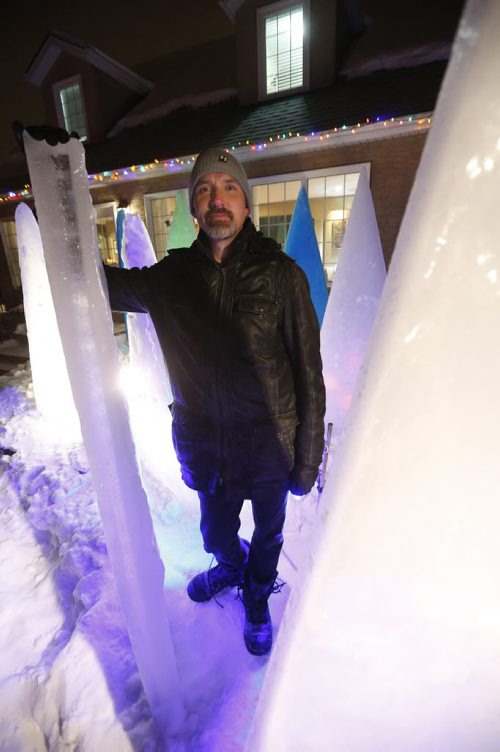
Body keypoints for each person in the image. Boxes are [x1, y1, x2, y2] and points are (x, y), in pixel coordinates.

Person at [104, 148, 326, 655]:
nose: (217, 199)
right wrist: (63, 214)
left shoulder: (283, 276)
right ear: (194, 208)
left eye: (229, 188)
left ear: (245, 204)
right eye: (205, 189)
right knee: (216, 534)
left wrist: (308, 457)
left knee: (268, 537)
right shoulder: (172, 277)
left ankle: (255, 594)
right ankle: (230, 567)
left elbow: (309, 376)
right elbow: (104, 284)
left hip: (271, 445)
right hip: (207, 447)